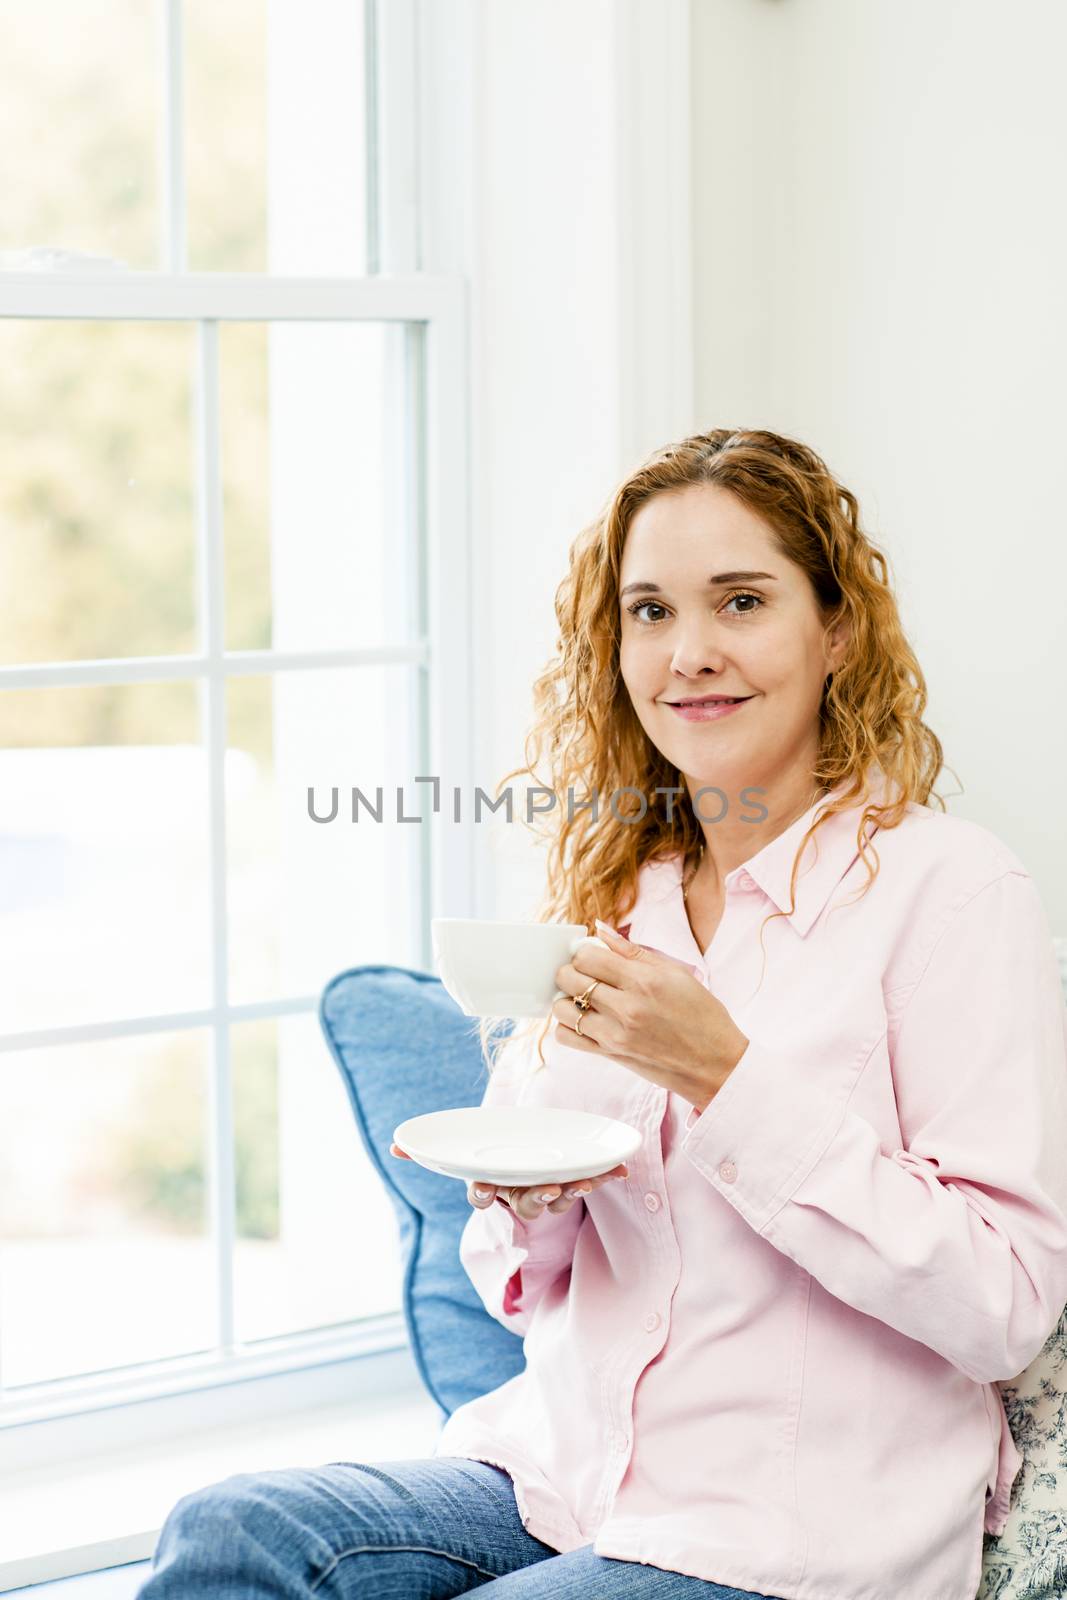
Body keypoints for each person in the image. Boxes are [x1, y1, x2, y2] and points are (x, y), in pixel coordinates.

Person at [136, 428, 1067, 1600]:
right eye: (649, 611)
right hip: (562, 1472)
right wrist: (528, 1209)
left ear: (835, 629)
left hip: (795, 1534)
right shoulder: (622, 897)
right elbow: (516, 1274)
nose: (689, 653)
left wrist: (726, 1078)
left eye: (739, 600)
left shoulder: (950, 891)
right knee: (235, 1531)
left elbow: (1002, 1303)